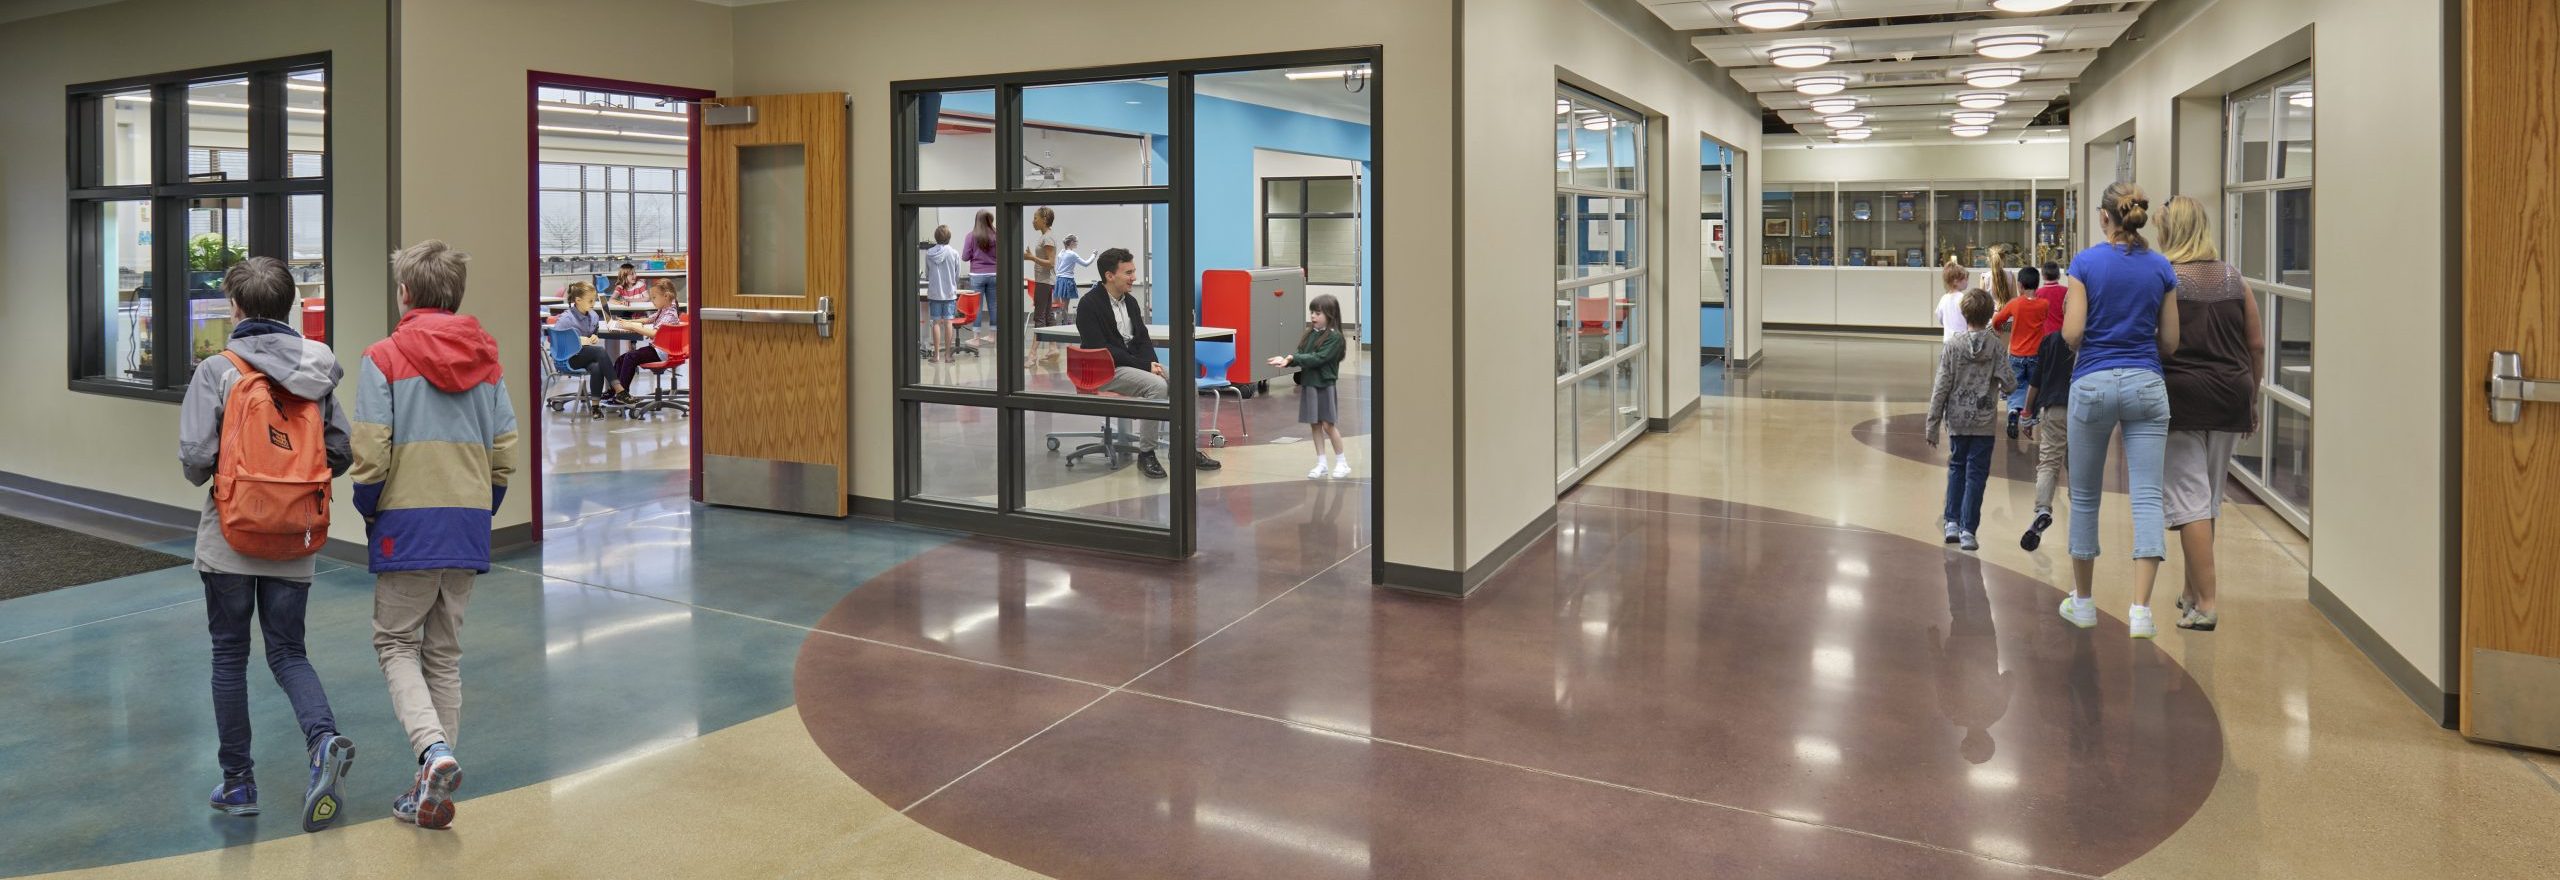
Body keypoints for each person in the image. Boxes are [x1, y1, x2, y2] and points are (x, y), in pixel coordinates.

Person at [178, 256, 357, 833]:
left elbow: (195, 461)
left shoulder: (218, 370)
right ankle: (323, 740)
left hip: (230, 535)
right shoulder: (320, 369)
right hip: (296, 535)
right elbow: (340, 453)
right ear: (288, 307)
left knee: (229, 654)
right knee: (288, 652)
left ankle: (238, 783)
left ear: (236, 307)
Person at [352, 239, 519, 830]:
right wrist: (483, 506)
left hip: (408, 522)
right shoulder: (488, 361)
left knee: (396, 643)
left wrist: (368, 507)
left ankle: (432, 753)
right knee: (444, 656)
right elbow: (503, 451)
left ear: (405, 293)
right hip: (467, 522)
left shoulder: (384, 356)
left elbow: (370, 451)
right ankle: (431, 793)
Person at [2057, 182, 2181, 639]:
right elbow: (2169, 342)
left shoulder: (2085, 263)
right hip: (2147, 384)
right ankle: (2141, 612)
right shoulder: (2162, 268)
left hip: (2091, 383)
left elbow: (2072, 333)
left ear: (2104, 217)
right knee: (2147, 496)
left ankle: (2084, 603)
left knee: (2086, 495)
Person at [2157, 194, 2263, 632]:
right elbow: (2255, 344)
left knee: (2189, 500)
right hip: (2230, 395)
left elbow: (2158, 340)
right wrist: (2251, 397)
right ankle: (2189, 591)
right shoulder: (2235, 280)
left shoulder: (2167, 280)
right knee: (2206, 501)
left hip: (2182, 399)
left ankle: (2206, 602)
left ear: (2171, 230)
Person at [1074, 247, 1221, 478]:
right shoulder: (1088, 305)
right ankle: (1147, 454)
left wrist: (1154, 365)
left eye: (1134, 272)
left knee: (1187, 383)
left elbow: (1142, 340)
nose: (1134, 277)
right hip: (1104, 369)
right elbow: (1102, 349)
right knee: (1158, 387)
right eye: (1128, 272)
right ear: (1109, 276)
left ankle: (1185, 450)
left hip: (1130, 365)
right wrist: (1145, 368)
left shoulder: (1130, 302)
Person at [1925, 288, 2012, 552]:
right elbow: (2010, 382)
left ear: (1964, 314)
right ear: (1988, 316)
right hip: (1984, 422)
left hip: (1957, 420)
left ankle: (1951, 522)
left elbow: (1942, 385)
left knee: (1956, 468)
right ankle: (1968, 531)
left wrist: (1932, 423)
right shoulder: (1996, 346)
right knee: (1976, 475)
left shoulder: (1952, 346)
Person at [1268, 294, 1350, 479]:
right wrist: (1287, 360)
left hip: (1325, 386)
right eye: (1312, 312)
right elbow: (1300, 354)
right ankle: (1321, 463)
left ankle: (1342, 462)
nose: (1313, 316)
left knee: (1328, 425)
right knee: (1315, 424)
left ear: (1330, 314)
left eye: (1318, 313)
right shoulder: (1310, 334)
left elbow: (1319, 358)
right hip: (1310, 385)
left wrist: (1292, 358)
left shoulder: (1335, 338)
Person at [2017, 319, 2077, 551]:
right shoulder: (2089, 340)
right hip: (2082, 408)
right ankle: (2079, 511)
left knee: (2049, 463)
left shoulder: (2050, 341)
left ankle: (2043, 509)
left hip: (2054, 409)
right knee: (2077, 465)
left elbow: (2036, 380)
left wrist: (2027, 411)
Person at [1990, 264, 2053, 438]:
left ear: (2020, 286)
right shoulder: (2044, 304)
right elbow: (2044, 320)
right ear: (2037, 285)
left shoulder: (2015, 303)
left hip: (2016, 354)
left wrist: (2007, 327)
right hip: (2035, 355)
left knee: (2015, 387)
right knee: (2034, 386)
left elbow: (1997, 321)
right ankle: (2030, 417)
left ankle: (2012, 413)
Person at [609, 279, 684, 399]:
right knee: (620, 360)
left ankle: (622, 395)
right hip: (658, 349)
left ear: (665, 296)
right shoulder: (664, 309)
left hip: (662, 352)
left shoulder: (670, 314)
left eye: (654, 297)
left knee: (630, 357)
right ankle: (614, 391)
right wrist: (629, 321)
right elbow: (648, 319)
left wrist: (632, 326)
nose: (652, 301)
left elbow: (654, 333)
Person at [551, 282, 619, 413]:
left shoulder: (592, 315)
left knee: (597, 367)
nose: (594, 303)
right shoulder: (566, 319)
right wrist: (577, 341)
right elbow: (557, 343)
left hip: (582, 356)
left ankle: (595, 406)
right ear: (578, 300)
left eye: (595, 300)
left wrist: (594, 336)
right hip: (567, 359)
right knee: (600, 351)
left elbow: (594, 330)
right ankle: (618, 389)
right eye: (590, 300)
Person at [922, 225, 964, 362]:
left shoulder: (929, 254)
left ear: (936, 237)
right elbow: (957, 275)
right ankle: (947, 355)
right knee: (948, 323)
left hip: (934, 293)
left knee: (935, 323)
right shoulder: (954, 253)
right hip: (949, 294)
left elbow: (927, 275)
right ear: (949, 237)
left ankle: (936, 355)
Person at [1024, 207, 1059, 368]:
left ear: (1044, 219)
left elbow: (1051, 263)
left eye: (1036, 218)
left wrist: (1031, 257)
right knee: (1047, 315)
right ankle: (1053, 347)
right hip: (1044, 281)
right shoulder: (1045, 237)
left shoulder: (1047, 239)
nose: (1033, 221)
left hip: (1044, 282)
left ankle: (1032, 355)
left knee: (1039, 317)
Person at [962, 210, 999, 350]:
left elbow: (965, 257)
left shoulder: (971, 236)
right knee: (993, 305)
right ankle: (992, 336)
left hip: (977, 275)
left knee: (977, 306)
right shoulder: (997, 235)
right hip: (994, 274)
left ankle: (976, 338)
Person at [1052, 235, 1092, 314]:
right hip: (1066, 280)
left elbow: (1058, 267)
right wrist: (1093, 255)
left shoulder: (1061, 252)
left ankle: (1063, 321)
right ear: (1071, 242)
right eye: (1076, 242)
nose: (1077, 243)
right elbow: (1086, 264)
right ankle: (1065, 323)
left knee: (1061, 305)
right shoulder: (1072, 254)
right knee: (1065, 305)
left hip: (1059, 279)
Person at [1935, 257, 1971, 344]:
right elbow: (1970, 318)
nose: (1967, 282)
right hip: (1962, 341)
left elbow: (1939, 315)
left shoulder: (1943, 298)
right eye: (1965, 279)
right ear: (1955, 281)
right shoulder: (1964, 298)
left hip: (1948, 340)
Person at [2034, 260, 2068, 337]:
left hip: (2044, 334)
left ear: (2042, 276)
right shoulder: (2066, 291)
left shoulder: (2038, 293)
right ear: (2059, 275)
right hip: (2062, 333)